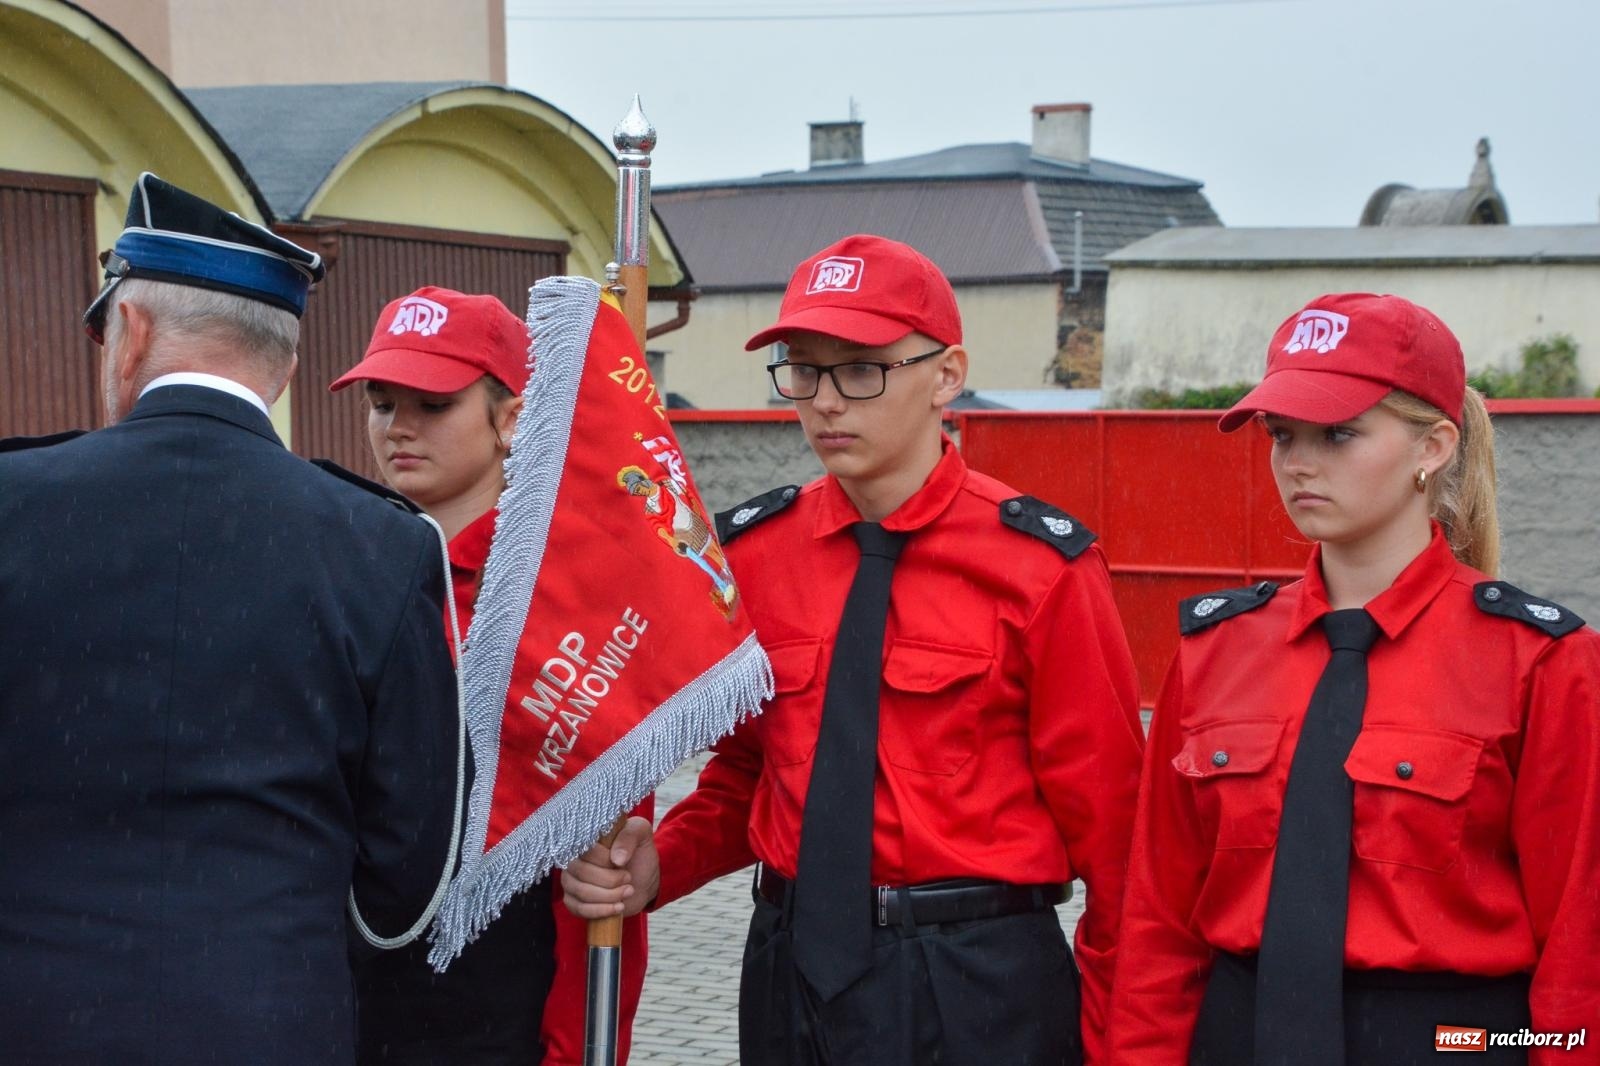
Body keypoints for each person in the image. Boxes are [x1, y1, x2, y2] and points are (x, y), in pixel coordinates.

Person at [561, 234, 1146, 1066]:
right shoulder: (755, 557)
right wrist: (660, 869)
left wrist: (1125, 1044)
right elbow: (747, 776)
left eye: (861, 369)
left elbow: (1119, 842)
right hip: (790, 968)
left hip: (976, 980)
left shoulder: (1039, 569)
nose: (827, 402)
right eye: (804, 369)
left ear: (946, 375)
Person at [0, 173, 463, 1064]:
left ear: (128, 334)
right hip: (270, 1019)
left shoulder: (15, 505)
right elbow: (411, 872)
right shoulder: (382, 544)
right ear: (285, 364)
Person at [1109, 293, 1600, 1065]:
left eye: (1338, 433)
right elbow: (1157, 924)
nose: (1299, 461)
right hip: (1239, 1033)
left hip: (1452, 1042)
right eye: (1283, 434)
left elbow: (1581, 944)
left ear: (1432, 446)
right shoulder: (1218, 649)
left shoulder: (1537, 659)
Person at [329, 286, 649, 1066]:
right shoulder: (339, 574)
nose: (397, 426)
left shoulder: (563, 603)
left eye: (432, 403)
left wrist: (575, 1052)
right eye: (382, 401)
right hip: (343, 1001)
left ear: (511, 420)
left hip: (495, 1014)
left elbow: (598, 874)